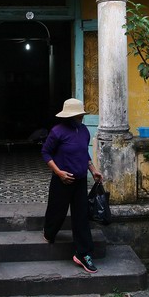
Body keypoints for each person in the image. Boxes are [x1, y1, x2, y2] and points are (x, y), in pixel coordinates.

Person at [41, 98, 103, 273]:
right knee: (57, 211)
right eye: (78, 115)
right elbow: (45, 153)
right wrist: (59, 172)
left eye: (81, 115)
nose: (81, 118)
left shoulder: (84, 131)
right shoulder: (57, 132)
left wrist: (93, 170)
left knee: (81, 217)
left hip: (80, 180)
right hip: (61, 180)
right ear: (70, 116)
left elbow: (84, 153)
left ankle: (83, 254)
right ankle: (49, 232)